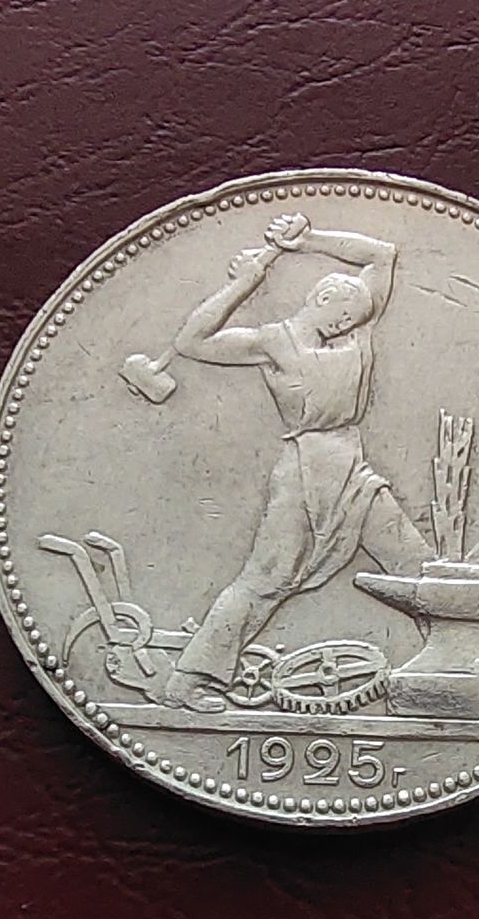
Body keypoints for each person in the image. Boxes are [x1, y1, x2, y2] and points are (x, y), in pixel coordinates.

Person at [157, 212, 429, 712]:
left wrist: (308, 240)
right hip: (304, 473)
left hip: (352, 469)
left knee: (415, 565)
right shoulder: (271, 343)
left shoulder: (358, 332)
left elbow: (382, 254)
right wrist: (241, 285)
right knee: (267, 577)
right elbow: (190, 342)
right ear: (321, 299)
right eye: (343, 315)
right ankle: (190, 678)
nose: (349, 324)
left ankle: (444, 671)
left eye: (355, 318)